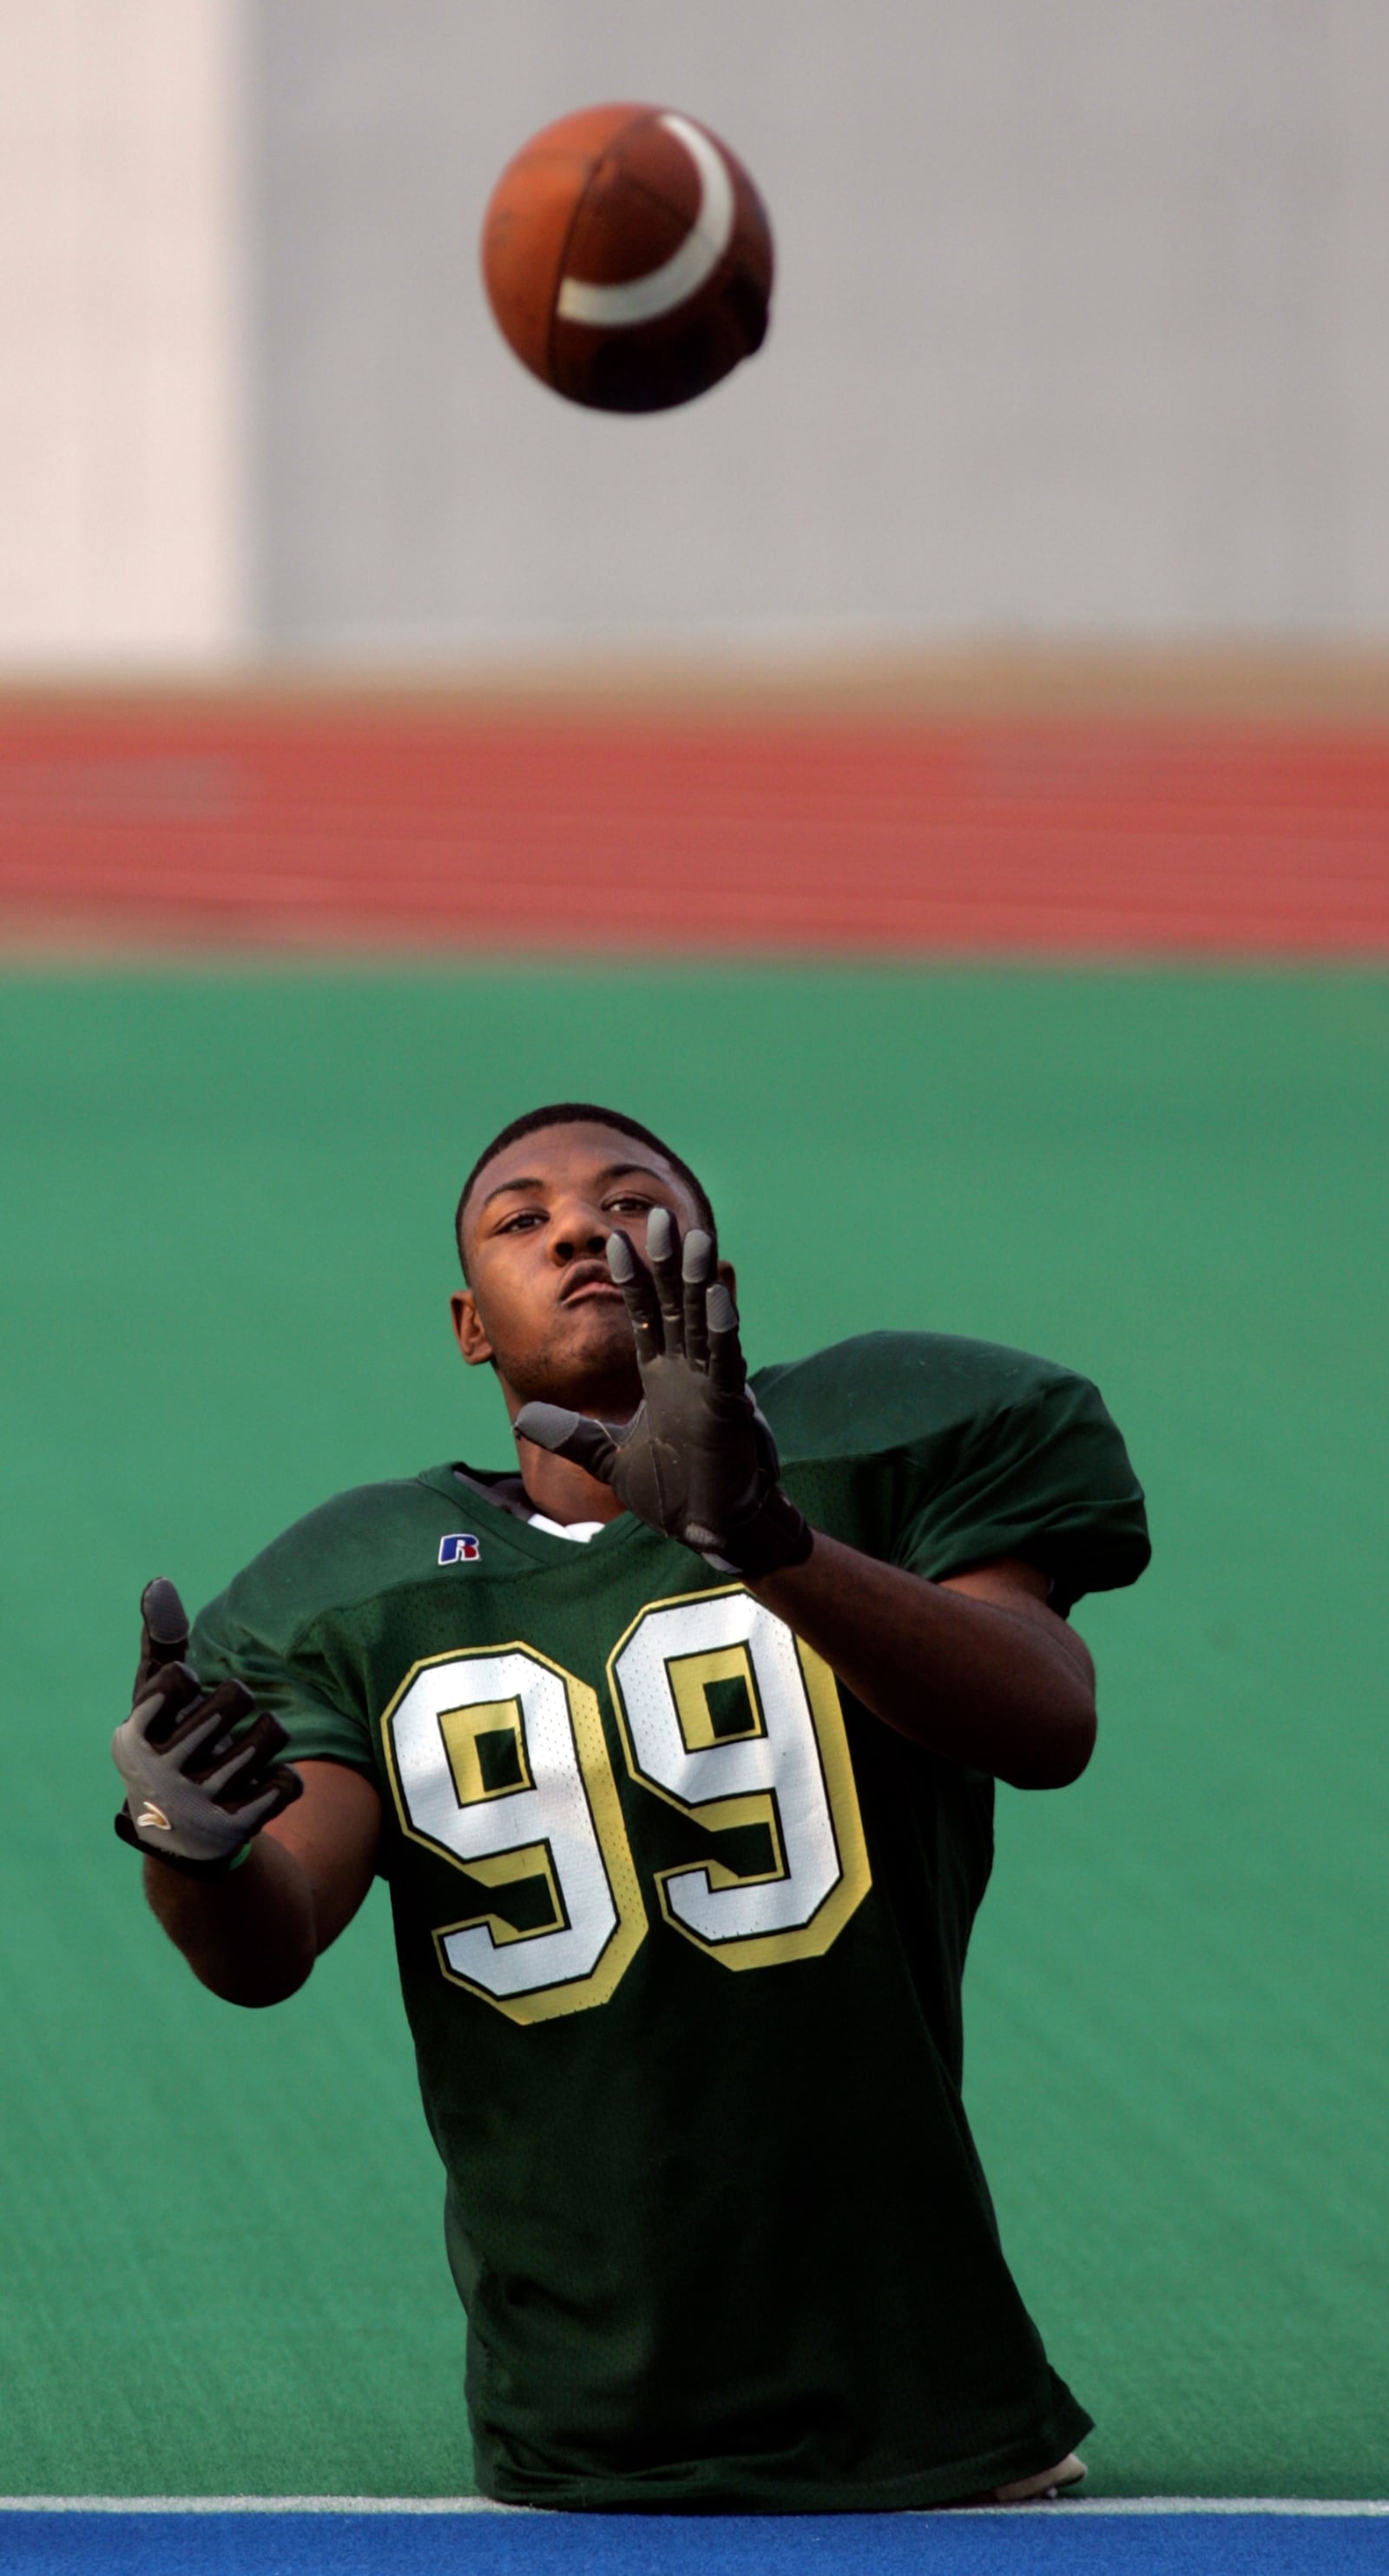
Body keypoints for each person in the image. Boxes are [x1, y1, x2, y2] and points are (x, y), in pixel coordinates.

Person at [112, 1102, 1149, 2513]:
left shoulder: (881, 1447)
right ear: (471, 1325)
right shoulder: (354, 1587)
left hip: (932, 2425)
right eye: (520, 1220)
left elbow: (1046, 1720)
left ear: (713, 1274)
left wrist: (763, 1538)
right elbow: (270, 1941)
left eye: (628, 1201)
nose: (581, 1230)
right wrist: (192, 1853)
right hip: (575, 2442)